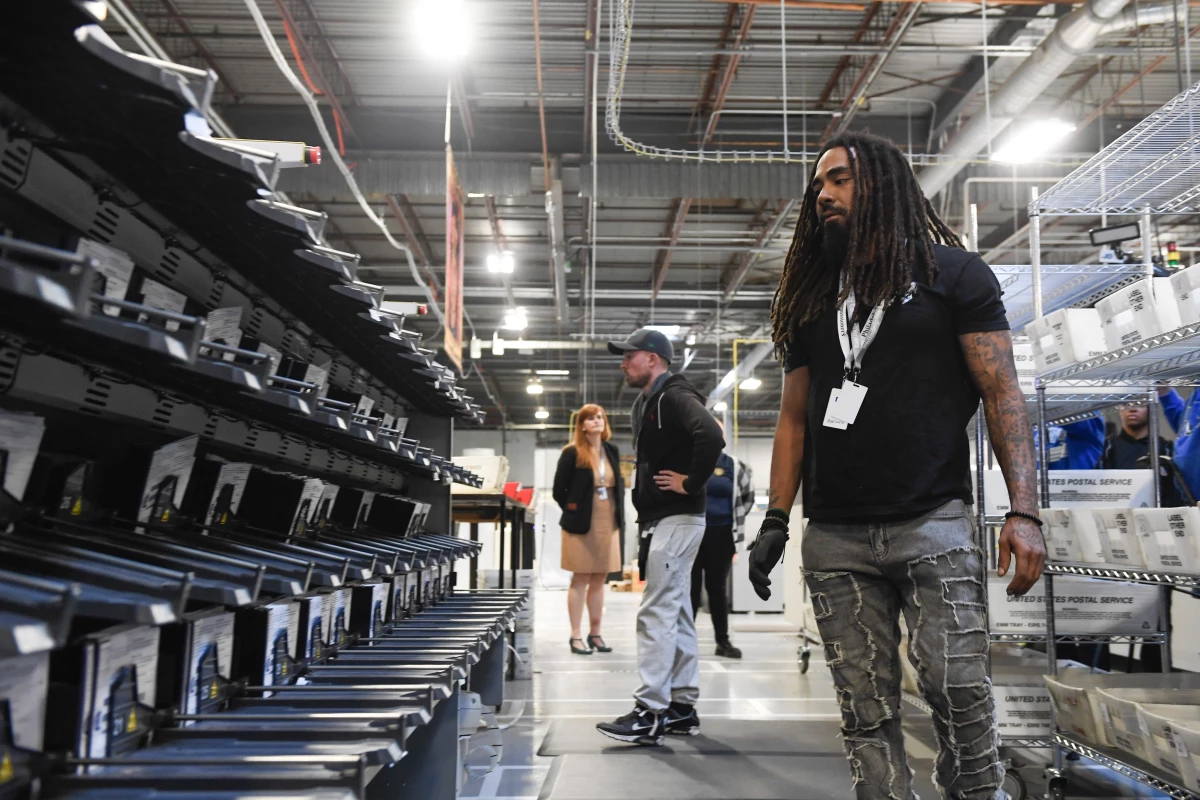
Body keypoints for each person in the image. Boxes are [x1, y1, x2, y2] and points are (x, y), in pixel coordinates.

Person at [748, 132, 1044, 800]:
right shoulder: (810, 298)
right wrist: (773, 519)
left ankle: (976, 793)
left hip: (932, 522)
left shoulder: (955, 276)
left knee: (957, 686)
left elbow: (1002, 392)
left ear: (882, 185)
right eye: (819, 184)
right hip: (835, 535)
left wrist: (1024, 510)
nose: (823, 194)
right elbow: (794, 417)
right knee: (864, 706)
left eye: (841, 179)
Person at [595, 327, 724, 746]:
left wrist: (691, 482)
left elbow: (712, 434)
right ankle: (682, 708)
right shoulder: (650, 401)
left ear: (652, 359)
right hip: (665, 518)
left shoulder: (673, 397)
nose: (623, 363)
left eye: (629, 355)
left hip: (678, 516)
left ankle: (650, 711)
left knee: (654, 613)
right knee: (678, 613)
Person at [552, 403, 624, 655]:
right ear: (582, 425)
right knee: (580, 578)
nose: (597, 421)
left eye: (600, 417)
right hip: (581, 523)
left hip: (608, 520)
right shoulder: (572, 452)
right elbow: (558, 490)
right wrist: (573, 509)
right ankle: (575, 636)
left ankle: (596, 633)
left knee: (599, 579)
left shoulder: (612, 451)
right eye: (591, 418)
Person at [691, 420, 753, 659]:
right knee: (691, 591)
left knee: (717, 589)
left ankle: (723, 642)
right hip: (692, 534)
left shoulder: (735, 466)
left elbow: (746, 498)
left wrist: (733, 519)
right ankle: (685, 643)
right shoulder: (689, 460)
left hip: (722, 535)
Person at [1100, 389, 1187, 507]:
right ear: (1119, 410)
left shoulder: (1165, 448)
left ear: (1150, 409)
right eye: (1126, 404)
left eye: (1140, 404)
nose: (1132, 409)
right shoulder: (1107, 449)